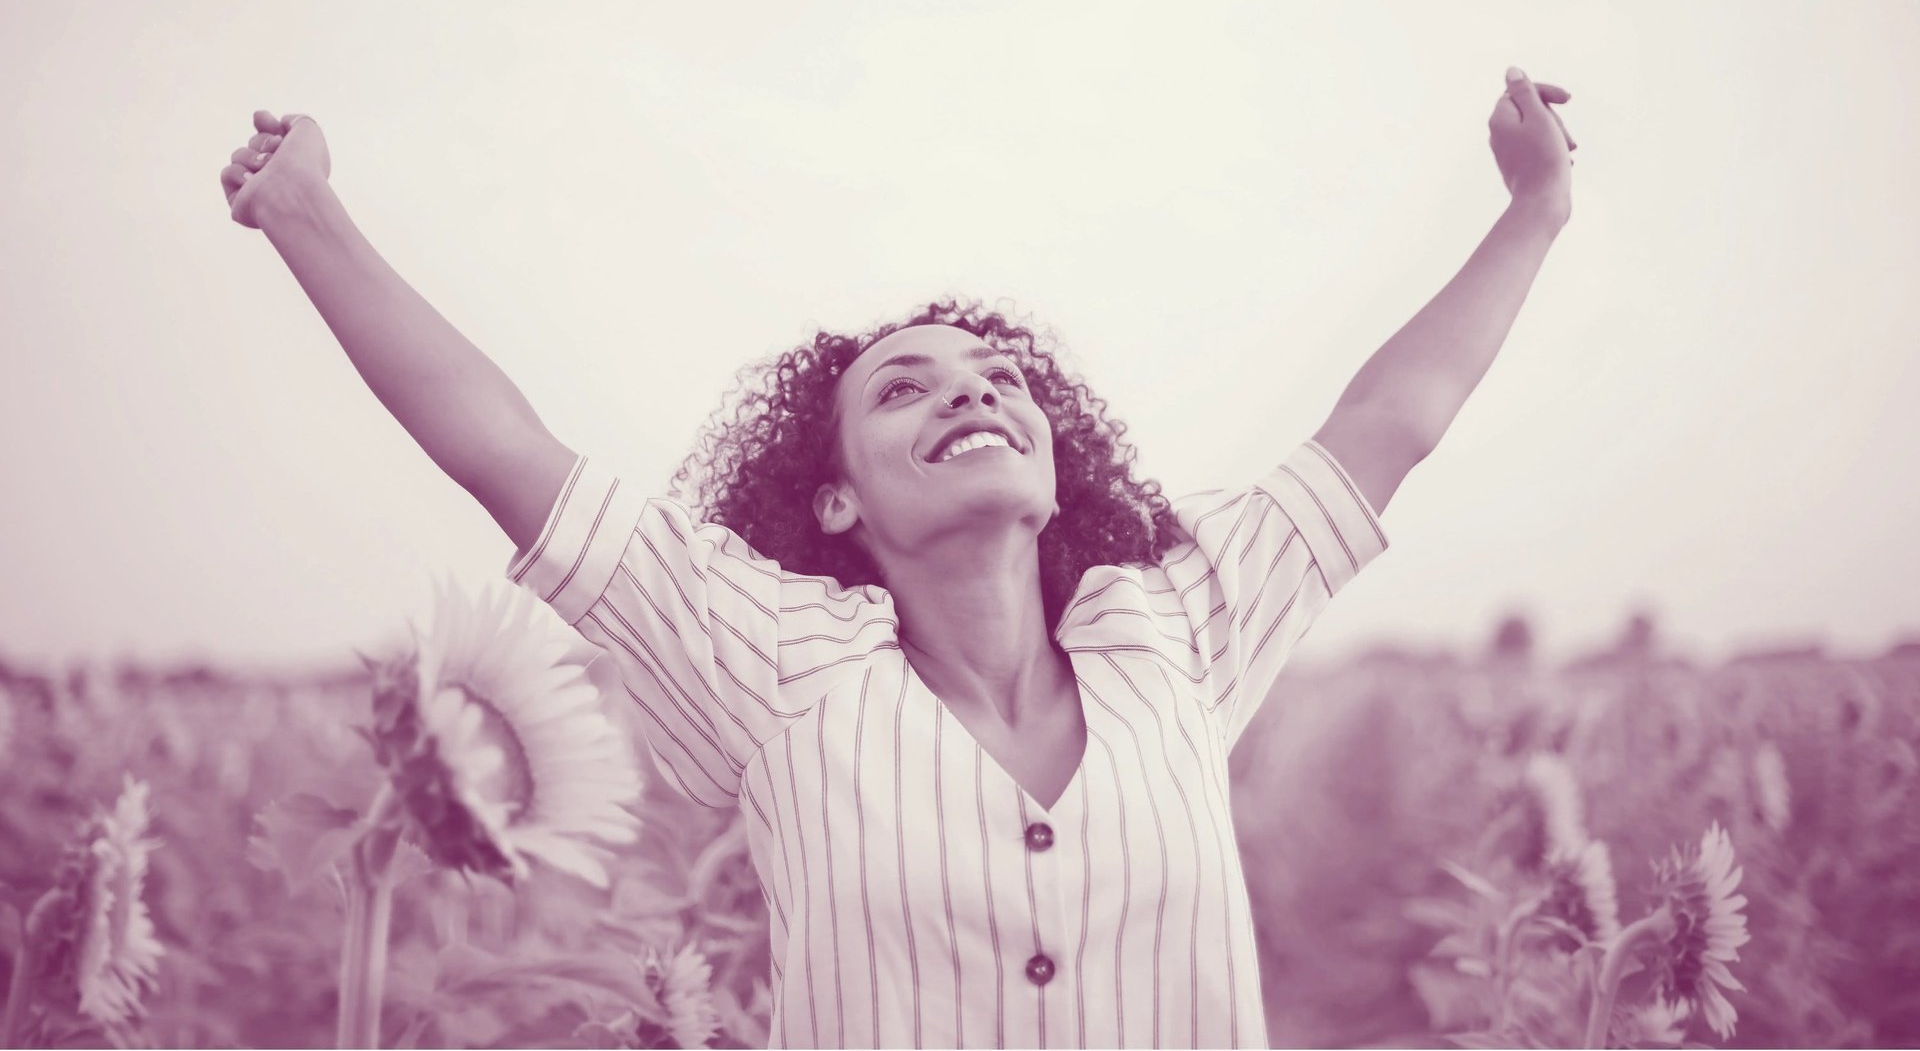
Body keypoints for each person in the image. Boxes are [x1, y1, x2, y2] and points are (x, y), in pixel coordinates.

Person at [216, 67, 1576, 1048]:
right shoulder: (779, 669)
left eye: (997, 377)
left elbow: (1391, 422)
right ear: (834, 506)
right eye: (906, 389)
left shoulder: (1172, 626)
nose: (973, 393)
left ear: (1057, 465)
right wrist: (305, 210)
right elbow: (504, 451)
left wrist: (1534, 210)